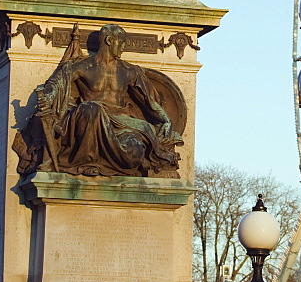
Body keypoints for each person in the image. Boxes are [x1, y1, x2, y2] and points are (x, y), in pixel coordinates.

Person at [14, 23, 182, 177]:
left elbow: (149, 101)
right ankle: (83, 162)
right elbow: (57, 82)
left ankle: (104, 167)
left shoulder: (129, 70)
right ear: (110, 40)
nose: (124, 47)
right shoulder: (85, 66)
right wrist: (49, 96)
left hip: (121, 124)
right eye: (122, 42)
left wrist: (165, 120)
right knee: (92, 109)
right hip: (90, 119)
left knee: (135, 152)